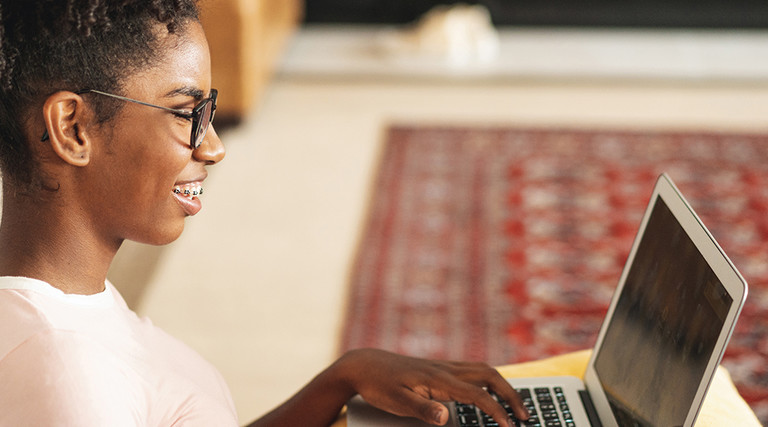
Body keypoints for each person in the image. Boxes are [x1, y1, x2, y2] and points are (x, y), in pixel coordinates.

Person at [0, 1, 529, 426]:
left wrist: (340, 381)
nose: (212, 148)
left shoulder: (68, 311)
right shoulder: (64, 370)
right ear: (73, 129)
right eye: (186, 114)